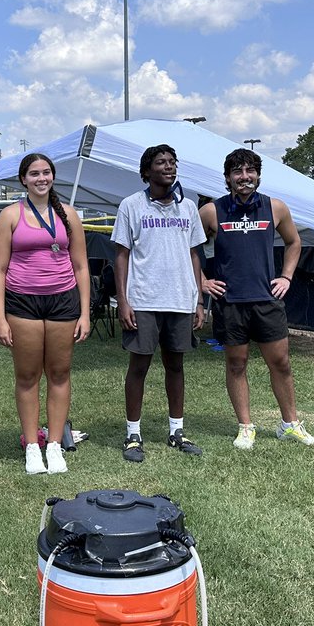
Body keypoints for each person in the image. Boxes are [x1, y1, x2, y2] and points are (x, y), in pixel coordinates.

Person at [199, 148, 314, 451]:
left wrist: (286, 277)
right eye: (238, 172)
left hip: (266, 301)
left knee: (280, 363)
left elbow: (294, 242)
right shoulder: (212, 211)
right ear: (227, 178)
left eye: (250, 171)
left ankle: (289, 425)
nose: (245, 177)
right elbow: (191, 248)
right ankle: (245, 426)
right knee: (236, 363)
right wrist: (202, 280)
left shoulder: (275, 208)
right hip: (231, 302)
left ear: (258, 175)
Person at [0, 153, 91, 475]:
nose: (41, 178)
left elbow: (81, 266)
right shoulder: (10, 215)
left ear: (53, 177)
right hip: (23, 303)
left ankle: (55, 445)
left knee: (60, 373)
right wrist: (0, 317)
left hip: (63, 302)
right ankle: (33, 446)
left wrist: (85, 313)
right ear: (23, 179)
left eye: (46, 172)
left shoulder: (69, 215)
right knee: (28, 376)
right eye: (34, 173)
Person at [112, 144, 207, 462]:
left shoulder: (189, 208)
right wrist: (123, 301)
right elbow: (121, 256)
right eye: (161, 162)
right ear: (146, 172)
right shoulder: (131, 205)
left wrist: (198, 299)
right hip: (144, 299)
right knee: (138, 366)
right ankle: (133, 435)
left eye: (172, 162)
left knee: (175, 365)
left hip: (181, 299)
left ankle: (176, 431)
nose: (169, 167)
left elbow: (195, 254)